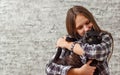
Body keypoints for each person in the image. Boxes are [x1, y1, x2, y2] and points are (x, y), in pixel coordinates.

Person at [45, 6, 114, 75]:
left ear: (91, 19)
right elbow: (49, 69)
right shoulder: (69, 39)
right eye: (80, 27)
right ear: (74, 30)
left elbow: (96, 52)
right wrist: (77, 72)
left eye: (87, 22)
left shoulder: (103, 37)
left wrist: (68, 45)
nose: (86, 29)